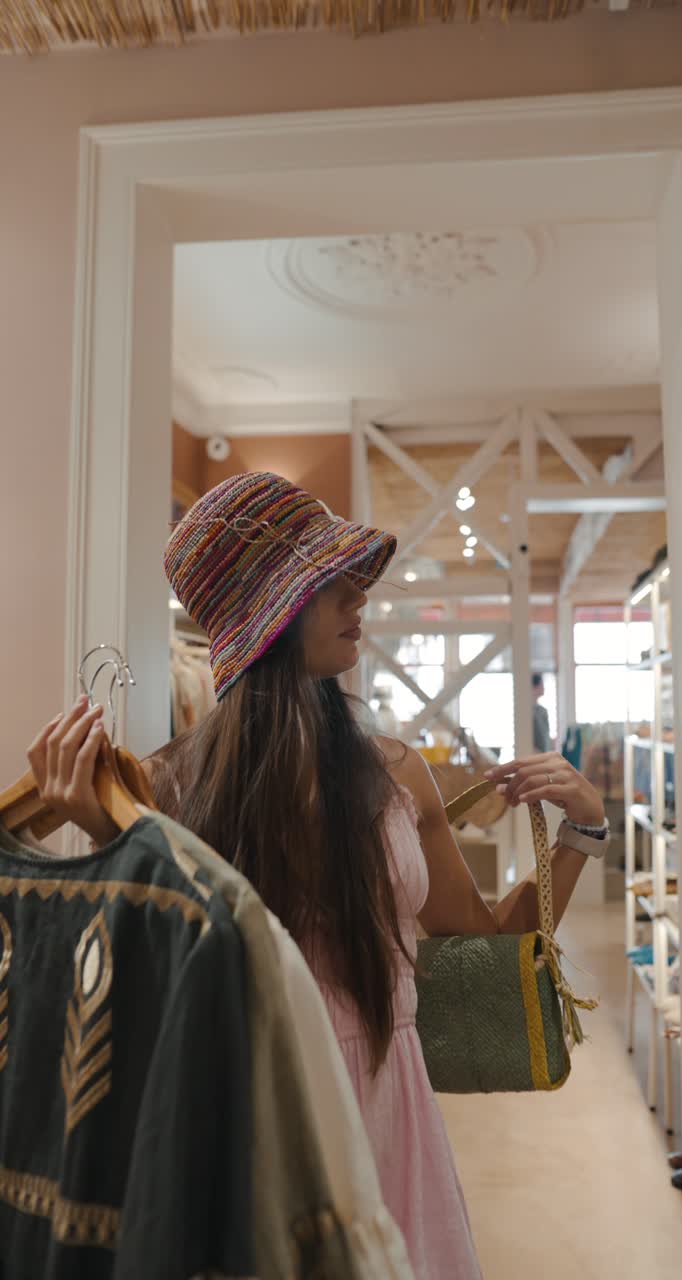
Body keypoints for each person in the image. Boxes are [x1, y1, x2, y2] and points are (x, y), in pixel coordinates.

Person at [28, 472, 608, 1280]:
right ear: (264, 613)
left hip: (390, 1112)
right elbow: (139, 985)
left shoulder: (396, 775)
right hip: (243, 1107)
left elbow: (487, 944)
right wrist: (101, 839)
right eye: (327, 583)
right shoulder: (162, 791)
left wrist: (583, 829)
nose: (357, 599)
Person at [532, 671, 552, 754]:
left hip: (543, 755)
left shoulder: (542, 711)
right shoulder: (527, 712)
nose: (544, 688)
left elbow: (545, 737)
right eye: (542, 684)